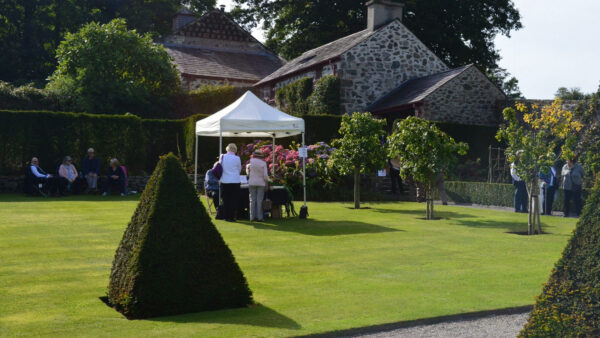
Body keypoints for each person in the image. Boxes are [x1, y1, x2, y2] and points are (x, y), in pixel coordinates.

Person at [220, 143, 242, 222]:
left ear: (227, 149)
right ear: (235, 150)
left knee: (225, 200)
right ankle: (232, 217)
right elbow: (239, 169)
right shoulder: (237, 158)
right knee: (233, 200)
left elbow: (220, 167)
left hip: (225, 181)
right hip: (235, 181)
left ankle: (226, 216)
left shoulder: (222, 156)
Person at [246, 150, 269, 221]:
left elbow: (248, 173)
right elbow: (265, 175)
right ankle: (260, 217)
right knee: (259, 200)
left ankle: (252, 217)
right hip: (261, 183)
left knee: (252, 200)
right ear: (261, 156)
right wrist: (266, 183)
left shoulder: (251, 162)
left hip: (252, 182)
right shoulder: (263, 163)